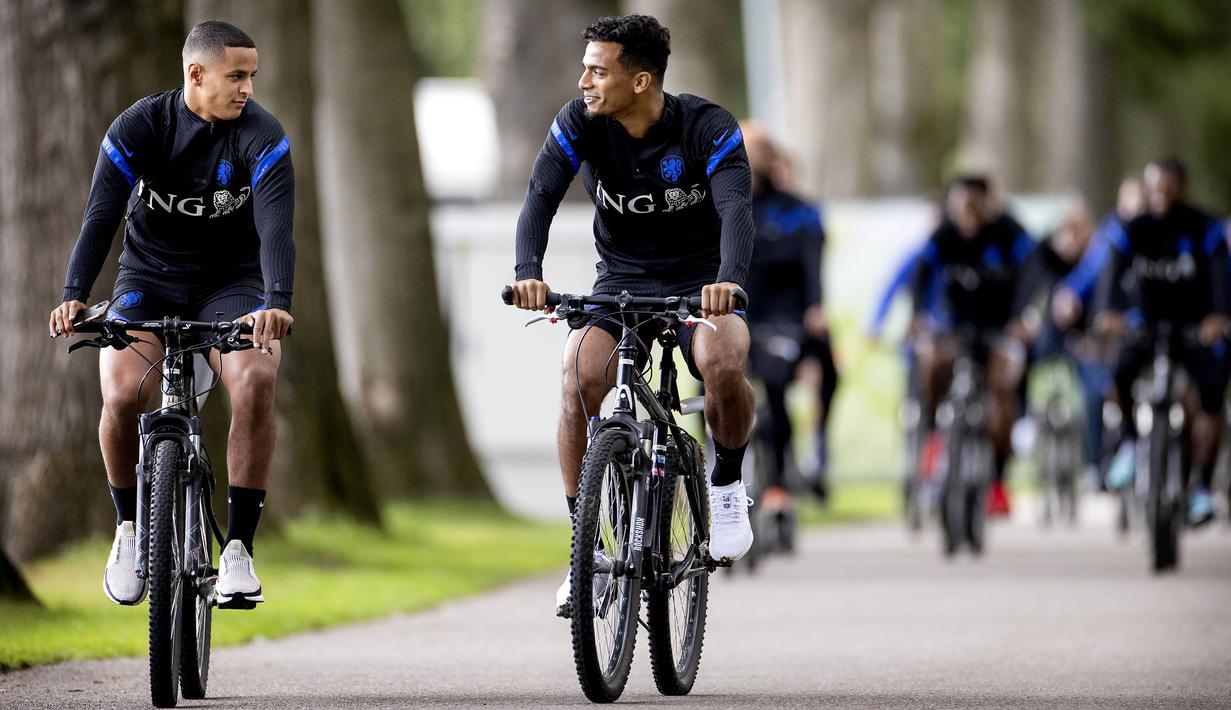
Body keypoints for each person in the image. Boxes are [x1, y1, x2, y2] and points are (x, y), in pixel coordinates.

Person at [505, 14, 756, 616]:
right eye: (585, 67)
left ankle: (724, 484)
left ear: (641, 80)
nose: (585, 80)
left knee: (721, 361)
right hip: (620, 281)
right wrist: (526, 273)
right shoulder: (577, 123)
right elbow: (539, 198)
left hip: (703, 283)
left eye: (598, 69)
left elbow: (736, 211)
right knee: (578, 377)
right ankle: (587, 550)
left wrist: (729, 282)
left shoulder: (708, 126)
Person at [48, 21, 295, 608]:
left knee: (256, 378)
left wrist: (277, 303)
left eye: (252, 76)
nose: (248, 89)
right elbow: (101, 216)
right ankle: (129, 529)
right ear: (196, 74)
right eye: (237, 76)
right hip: (148, 279)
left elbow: (276, 227)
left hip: (233, 284)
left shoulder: (263, 135)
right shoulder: (140, 126)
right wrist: (75, 293)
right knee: (119, 392)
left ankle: (237, 551)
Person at [1093, 158, 1229, 526]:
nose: (1162, 194)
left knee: (1211, 394)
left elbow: (1221, 274)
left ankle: (1201, 486)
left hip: (1193, 328)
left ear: (1183, 189)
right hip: (1144, 326)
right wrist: (1109, 311)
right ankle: (1129, 443)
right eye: (1156, 187)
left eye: (1170, 187)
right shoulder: (1131, 229)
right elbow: (1110, 272)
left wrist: (1218, 315)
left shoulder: (1206, 228)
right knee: (1119, 373)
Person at [911, 175, 1034, 517]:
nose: (965, 216)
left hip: (998, 330)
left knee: (1002, 393)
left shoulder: (1008, 232)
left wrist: (1022, 316)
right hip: (956, 331)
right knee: (931, 363)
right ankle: (936, 433)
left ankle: (998, 478)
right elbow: (920, 273)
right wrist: (918, 315)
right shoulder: (943, 236)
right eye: (958, 208)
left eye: (972, 207)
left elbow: (1031, 270)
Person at [738, 121, 827, 507]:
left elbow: (812, 263)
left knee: (774, 383)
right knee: (708, 386)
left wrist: (815, 306)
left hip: (783, 320)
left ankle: (777, 483)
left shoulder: (798, 212)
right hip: (736, 317)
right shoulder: (726, 203)